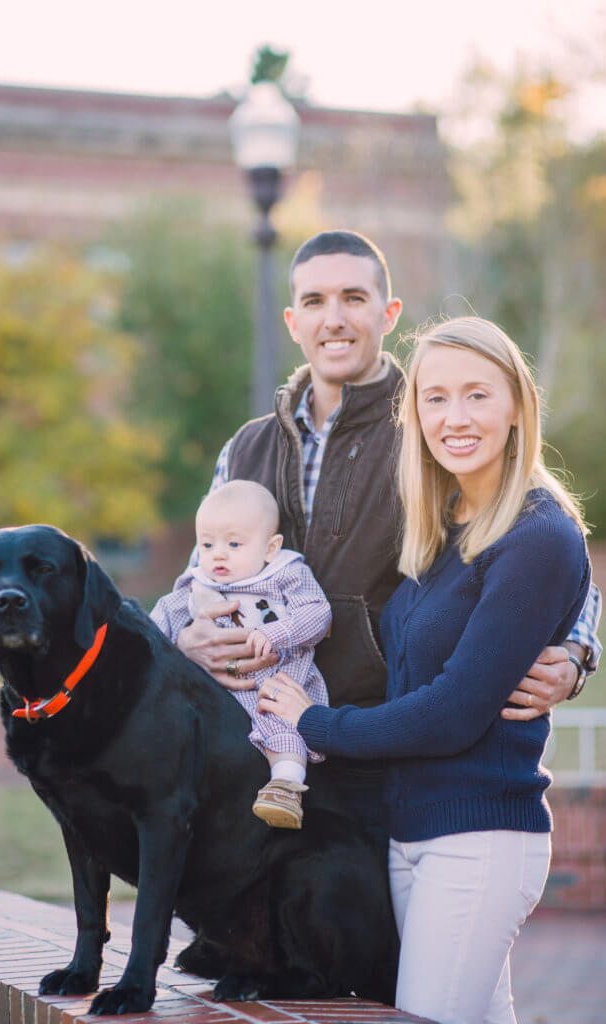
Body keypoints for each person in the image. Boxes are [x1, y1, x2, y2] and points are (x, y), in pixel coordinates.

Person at [174, 230, 601, 841]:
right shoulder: (246, 447)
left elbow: (538, 536)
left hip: (377, 744)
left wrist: (578, 653)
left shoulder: (431, 424)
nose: (335, 319)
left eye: (354, 297)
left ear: (387, 313)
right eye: (316, 302)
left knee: (367, 934)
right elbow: (199, 572)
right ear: (294, 321)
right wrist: (190, 635)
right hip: (256, 742)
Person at [260, 316, 592, 1024]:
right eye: (435, 398)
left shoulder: (536, 535)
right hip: (411, 833)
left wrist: (312, 723)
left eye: (477, 395)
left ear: (515, 408)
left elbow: (451, 711)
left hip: (479, 839)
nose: (455, 417)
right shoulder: (442, 529)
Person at [151, 480, 331, 829]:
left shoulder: (286, 574)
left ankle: (286, 788)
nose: (218, 554)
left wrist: (277, 632)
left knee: (281, 725)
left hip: (275, 681)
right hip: (215, 692)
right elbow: (160, 622)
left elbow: (317, 613)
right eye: (207, 543)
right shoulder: (197, 584)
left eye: (234, 544)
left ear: (270, 547)